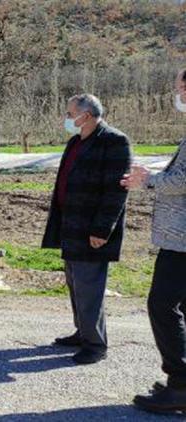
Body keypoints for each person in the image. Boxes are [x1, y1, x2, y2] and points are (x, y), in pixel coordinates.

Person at [41, 94, 131, 365]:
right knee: (76, 284)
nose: (67, 119)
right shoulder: (76, 141)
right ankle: (83, 332)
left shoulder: (115, 141)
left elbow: (116, 192)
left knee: (89, 287)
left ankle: (95, 344)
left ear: (87, 115)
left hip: (92, 229)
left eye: (71, 114)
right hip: (71, 225)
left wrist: (103, 229)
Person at [125, 69, 186, 413]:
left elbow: (182, 180)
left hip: (182, 241)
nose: (179, 94)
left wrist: (149, 180)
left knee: (162, 305)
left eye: (182, 88)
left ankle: (180, 385)